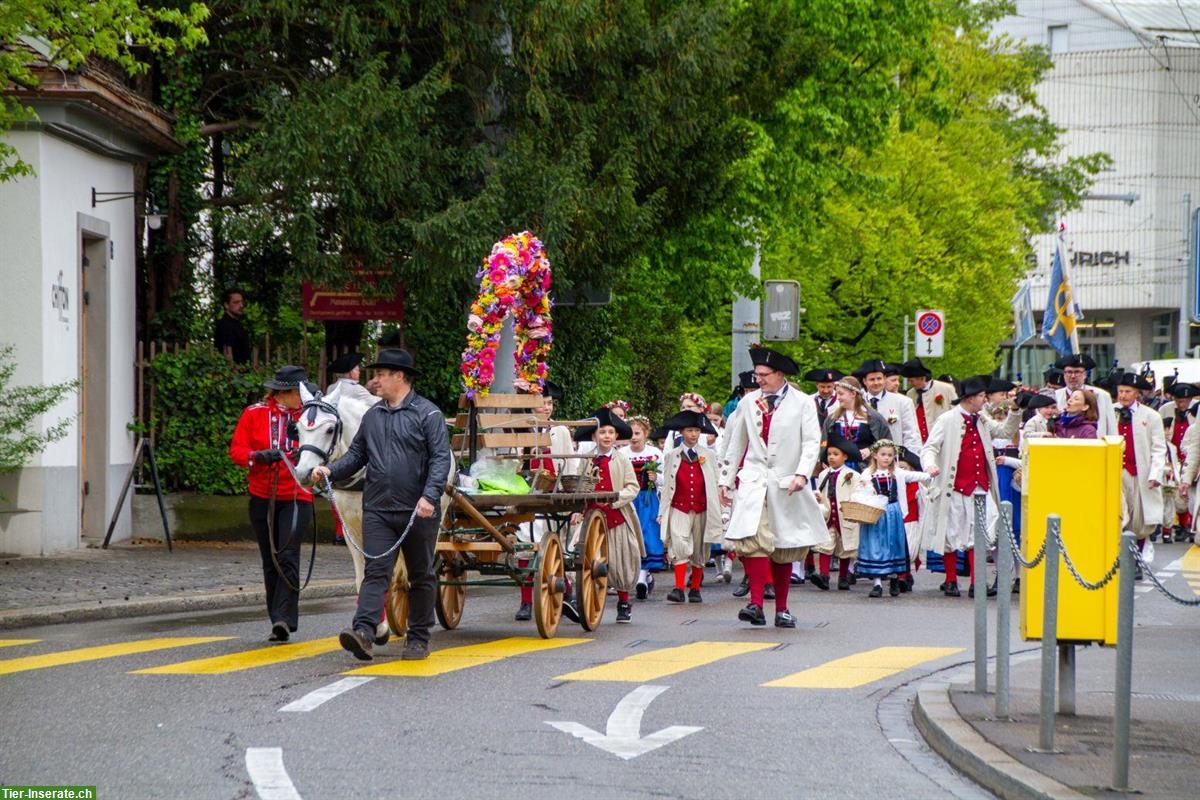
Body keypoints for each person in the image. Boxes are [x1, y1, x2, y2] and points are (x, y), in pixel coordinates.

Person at [311, 349, 452, 661]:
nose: (374, 381)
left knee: (420, 574)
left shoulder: (428, 415)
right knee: (376, 572)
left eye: (381, 375)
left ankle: (418, 638)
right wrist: (330, 469)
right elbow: (357, 454)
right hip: (378, 508)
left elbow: (441, 460)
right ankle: (363, 631)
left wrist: (429, 497)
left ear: (399, 377)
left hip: (417, 510)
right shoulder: (373, 416)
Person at [718, 346, 829, 628]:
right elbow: (736, 442)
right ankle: (755, 604)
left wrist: (802, 474)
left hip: (787, 481)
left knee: (783, 545)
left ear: (780, 374)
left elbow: (810, 442)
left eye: (764, 375)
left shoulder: (803, 403)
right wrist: (726, 479)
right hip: (755, 480)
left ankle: (782, 609)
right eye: (757, 375)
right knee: (752, 539)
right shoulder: (748, 402)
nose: (759, 380)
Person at [228, 365, 314, 642]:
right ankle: (276, 616)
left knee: (288, 554)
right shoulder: (254, 414)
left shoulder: (309, 414)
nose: (302, 397)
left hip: (297, 494)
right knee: (270, 558)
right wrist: (258, 456)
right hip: (263, 494)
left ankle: (284, 619)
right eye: (297, 393)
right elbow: (236, 451)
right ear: (284, 393)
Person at [921, 375, 1019, 598]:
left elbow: (1003, 432)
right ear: (971, 398)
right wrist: (930, 467)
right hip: (954, 485)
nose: (985, 400)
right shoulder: (947, 419)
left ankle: (977, 582)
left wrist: (1014, 411)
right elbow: (930, 447)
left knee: (981, 533)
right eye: (982, 396)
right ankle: (951, 580)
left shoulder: (982, 418)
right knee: (951, 532)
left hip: (980, 486)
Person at [571, 407, 642, 622]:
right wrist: (577, 509)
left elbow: (633, 486)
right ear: (594, 436)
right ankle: (580, 599)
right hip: (591, 516)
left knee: (621, 560)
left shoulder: (621, 460)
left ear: (617, 436)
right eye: (602, 433)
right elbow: (578, 486)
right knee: (579, 555)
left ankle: (623, 601)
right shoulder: (586, 459)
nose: (607, 437)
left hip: (615, 517)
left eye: (610, 433)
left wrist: (616, 499)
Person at [516, 380, 574, 622]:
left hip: (553, 493)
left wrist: (569, 496)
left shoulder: (559, 431)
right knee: (524, 542)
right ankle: (526, 601)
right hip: (528, 492)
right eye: (542, 404)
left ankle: (565, 589)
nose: (547, 408)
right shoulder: (522, 431)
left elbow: (568, 461)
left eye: (549, 403)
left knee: (551, 545)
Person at [852, 440, 931, 597]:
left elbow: (915, 475)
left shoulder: (898, 473)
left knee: (893, 544)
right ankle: (877, 583)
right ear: (875, 455)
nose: (886, 458)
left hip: (893, 512)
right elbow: (859, 491)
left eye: (889, 455)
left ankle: (894, 577)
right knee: (875, 545)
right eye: (883, 455)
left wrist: (931, 473)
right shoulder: (867, 474)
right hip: (875, 512)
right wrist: (865, 489)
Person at [658, 410, 722, 603]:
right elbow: (667, 486)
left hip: (703, 507)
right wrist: (662, 512)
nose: (693, 434)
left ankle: (695, 588)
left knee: (701, 546)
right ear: (681, 432)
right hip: (679, 506)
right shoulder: (671, 456)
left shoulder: (708, 455)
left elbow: (715, 481)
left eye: (696, 430)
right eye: (689, 430)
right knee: (679, 543)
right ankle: (678, 588)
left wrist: (722, 510)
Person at [1114, 373, 1166, 562]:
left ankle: (1137, 554)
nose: (1123, 395)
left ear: (1137, 393)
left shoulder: (1151, 416)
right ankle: (1121, 557)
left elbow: (1159, 448)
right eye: (1120, 391)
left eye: (1128, 391)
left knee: (1140, 519)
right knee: (1119, 514)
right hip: (1115, 472)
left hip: (1140, 473)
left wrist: (1155, 473)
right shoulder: (1112, 412)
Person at [622, 416, 665, 599]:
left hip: (648, 499)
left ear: (646, 434)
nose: (634, 437)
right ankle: (643, 576)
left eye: (638, 433)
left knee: (647, 534)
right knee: (632, 535)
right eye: (631, 433)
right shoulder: (622, 453)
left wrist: (656, 478)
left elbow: (666, 478)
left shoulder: (655, 453)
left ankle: (642, 577)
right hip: (630, 500)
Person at [813, 432, 861, 590]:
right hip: (828, 515)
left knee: (844, 547)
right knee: (825, 545)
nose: (831, 457)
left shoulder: (853, 475)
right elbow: (822, 491)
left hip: (844, 516)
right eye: (829, 454)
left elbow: (857, 492)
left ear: (845, 457)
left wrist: (851, 503)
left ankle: (843, 577)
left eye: (836, 454)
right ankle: (824, 576)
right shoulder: (822, 475)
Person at [853, 358, 921, 463]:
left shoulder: (903, 402)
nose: (876, 383)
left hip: (894, 461)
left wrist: (910, 461)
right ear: (864, 381)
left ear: (884, 379)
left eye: (879, 378)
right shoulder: (856, 403)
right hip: (864, 462)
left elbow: (911, 435)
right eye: (872, 379)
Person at [822, 376, 891, 471]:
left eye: (841, 394)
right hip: (838, 469)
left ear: (853, 394)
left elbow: (887, 442)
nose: (837, 398)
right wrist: (824, 459)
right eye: (837, 394)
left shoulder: (874, 418)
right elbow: (824, 442)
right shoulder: (832, 419)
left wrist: (870, 450)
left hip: (866, 469)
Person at [1162, 383, 1198, 539]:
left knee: (1191, 497)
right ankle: (1179, 525)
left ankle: (1189, 523)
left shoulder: (1195, 411)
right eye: (1178, 400)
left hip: (1189, 458)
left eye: (1185, 401)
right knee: (1176, 493)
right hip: (1174, 456)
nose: (1181, 404)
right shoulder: (1165, 410)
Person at [1054, 354, 1116, 436]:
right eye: (1069, 372)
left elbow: (1112, 427)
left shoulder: (1101, 395)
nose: (1073, 376)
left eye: (1077, 372)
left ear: (1085, 374)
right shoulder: (1055, 396)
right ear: (1064, 375)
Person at [902, 358, 957, 444]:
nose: (909, 383)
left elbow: (956, 413)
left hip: (942, 440)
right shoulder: (910, 393)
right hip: (918, 443)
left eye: (911, 380)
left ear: (922, 378)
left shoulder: (946, 389)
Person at [213, 287, 251, 364]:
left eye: (241, 302)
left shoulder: (239, 325)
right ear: (226, 305)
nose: (241, 305)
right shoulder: (224, 326)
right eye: (236, 302)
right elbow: (226, 352)